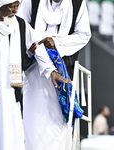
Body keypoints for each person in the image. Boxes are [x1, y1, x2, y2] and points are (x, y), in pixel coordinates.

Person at [0, 0, 71, 149]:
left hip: (9, 91)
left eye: (17, 7)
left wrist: (51, 71)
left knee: (10, 132)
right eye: (12, 7)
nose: (15, 11)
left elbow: (37, 46)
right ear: (0, 5)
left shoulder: (21, 25)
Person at [17, 0, 91, 149]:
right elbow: (21, 27)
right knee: (33, 120)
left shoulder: (77, 3)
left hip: (63, 70)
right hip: (34, 69)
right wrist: (36, 48)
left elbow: (83, 34)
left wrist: (57, 43)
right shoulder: (30, 2)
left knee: (58, 123)